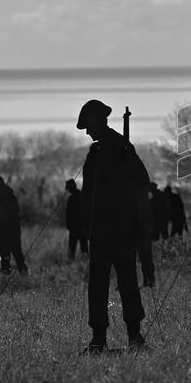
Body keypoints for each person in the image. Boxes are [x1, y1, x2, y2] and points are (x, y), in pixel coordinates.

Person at [78, 99, 149, 354]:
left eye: (89, 125)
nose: (87, 132)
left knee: (128, 284)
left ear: (98, 121)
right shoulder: (96, 153)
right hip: (99, 232)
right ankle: (98, 339)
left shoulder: (122, 148)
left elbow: (142, 183)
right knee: (97, 287)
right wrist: (86, 227)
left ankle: (134, 336)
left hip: (120, 230)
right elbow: (88, 195)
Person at [0, 176, 28, 274]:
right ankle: (6, 269)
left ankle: (22, 270)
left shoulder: (7, 196)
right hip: (6, 227)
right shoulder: (4, 195)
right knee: (5, 250)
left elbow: (11, 212)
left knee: (15, 249)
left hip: (10, 227)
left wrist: (2, 217)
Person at [65, 179, 87, 259]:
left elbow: (68, 214)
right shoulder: (82, 195)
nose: (68, 190)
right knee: (82, 248)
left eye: (68, 188)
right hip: (80, 227)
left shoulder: (72, 199)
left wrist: (69, 225)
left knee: (73, 247)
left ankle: (73, 261)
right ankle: (84, 261)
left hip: (76, 227)